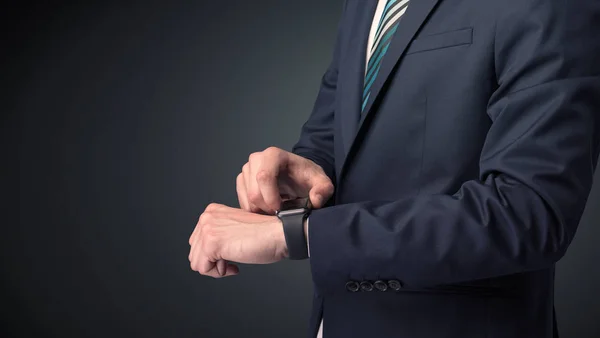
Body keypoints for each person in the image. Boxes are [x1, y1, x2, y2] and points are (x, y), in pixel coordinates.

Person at [188, 0, 600, 337]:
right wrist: (305, 169)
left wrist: (299, 235)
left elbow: (529, 214)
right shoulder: (364, 6)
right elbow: (339, 133)